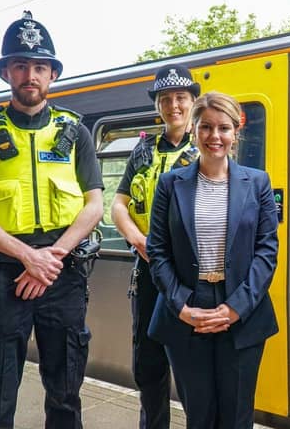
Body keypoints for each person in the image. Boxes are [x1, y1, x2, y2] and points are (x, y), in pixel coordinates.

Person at [0, 11, 104, 428]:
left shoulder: (76, 132)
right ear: (6, 73)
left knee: (66, 394)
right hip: (1, 277)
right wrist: (27, 257)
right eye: (20, 65)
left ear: (51, 74)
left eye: (39, 67)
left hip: (63, 274)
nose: (29, 75)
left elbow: (94, 205)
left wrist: (50, 258)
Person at [146, 91, 279, 429]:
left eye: (223, 128)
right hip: (188, 307)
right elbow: (157, 251)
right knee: (199, 415)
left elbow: (266, 252)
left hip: (242, 308)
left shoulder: (258, 183)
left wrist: (236, 307)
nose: (214, 136)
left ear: (236, 133)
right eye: (206, 127)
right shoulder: (170, 184)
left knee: (237, 417)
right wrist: (182, 307)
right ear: (194, 130)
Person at [111, 63, 200, 429]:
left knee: (195, 366)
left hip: (191, 275)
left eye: (181, 97)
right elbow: (118, 204)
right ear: (157, 105)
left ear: (193, 101)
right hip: (148, 272)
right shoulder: (142, 150)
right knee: (149, 365)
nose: (173, 105)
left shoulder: (206, 146)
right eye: (166, 99)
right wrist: (137, 238)